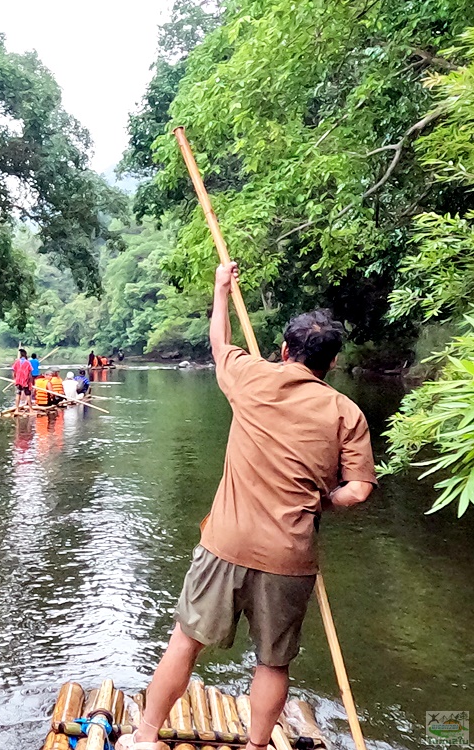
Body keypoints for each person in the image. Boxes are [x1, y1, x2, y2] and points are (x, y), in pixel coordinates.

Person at [117, 262, 377, 750]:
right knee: (273, 662)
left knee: (185, 641)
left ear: (284, 351)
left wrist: (220, 289)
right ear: (334, 363)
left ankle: (146, 737)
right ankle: (258, 747)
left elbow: (219, 343)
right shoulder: (347, 412)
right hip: (290, 554)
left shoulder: (250, 377)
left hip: (226, 542)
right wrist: (324, 499)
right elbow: (359, 489)